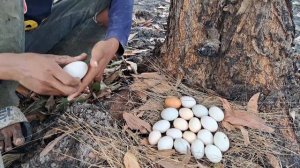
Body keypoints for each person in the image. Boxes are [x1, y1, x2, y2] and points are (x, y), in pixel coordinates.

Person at [0, 0, 133, 154]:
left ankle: (51, 76)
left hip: (28, 37)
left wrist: (114, 39)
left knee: (107, 6)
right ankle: (4, 101)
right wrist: (15, 66)